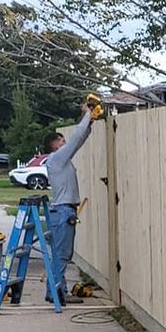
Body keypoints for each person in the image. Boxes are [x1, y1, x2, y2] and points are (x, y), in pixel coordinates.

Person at [40, 103, 96, 308]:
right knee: (63, 255)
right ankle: (57, 293)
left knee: (58, 255)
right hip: (64, 212)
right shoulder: (57, 158)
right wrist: (87, 114)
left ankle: (56, 292)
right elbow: (75, 140)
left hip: (61, 211)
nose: (65, 143)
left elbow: (78, 141)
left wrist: (90, 122)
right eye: (62, 141)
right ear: (55, 145)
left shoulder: (58, 160)